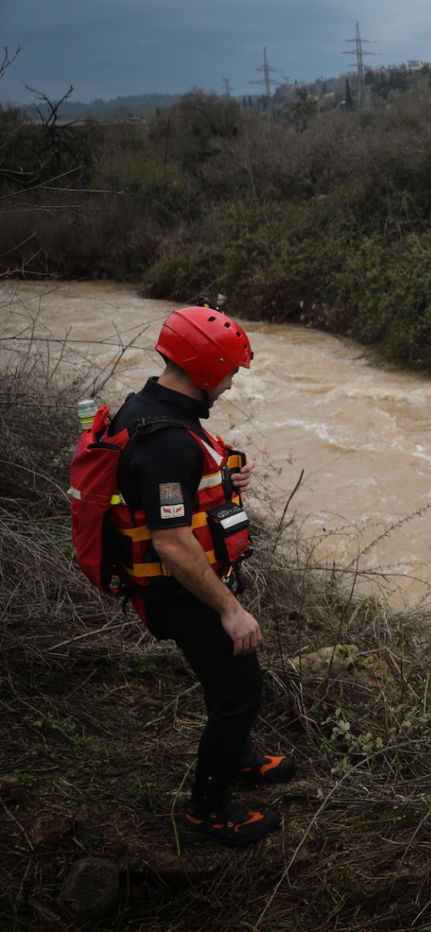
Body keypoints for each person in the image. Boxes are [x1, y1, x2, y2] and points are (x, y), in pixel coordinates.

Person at [108, 306, 293, 848]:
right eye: (231, 373)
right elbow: (169, 540)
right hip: (183, 593)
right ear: (208, 371)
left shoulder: (152, 409)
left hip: (184, 587)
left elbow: (168, 498)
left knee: (229, 685)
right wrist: (230, 610)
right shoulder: (165, 442)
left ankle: (241, 759)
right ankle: (207, 812)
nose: (232, 383)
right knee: (239, 694)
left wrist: (222, 477)